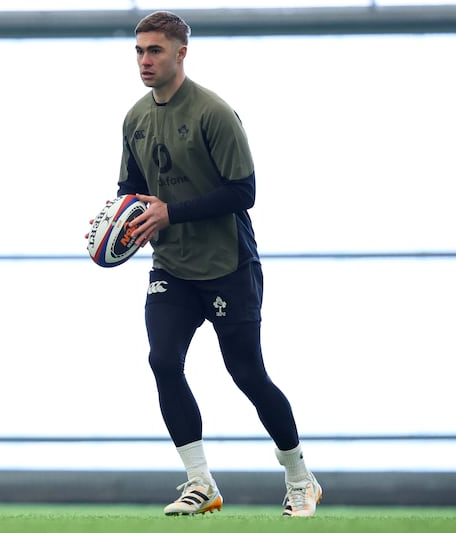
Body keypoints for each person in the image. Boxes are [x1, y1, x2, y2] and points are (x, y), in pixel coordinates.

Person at [115, 11, 321, 517]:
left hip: (227, 264)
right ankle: (200, 483)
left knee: (246, 371)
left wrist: (171, 212)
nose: (145, 60)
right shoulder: (135, 117)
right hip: (173, 268)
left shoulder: (213, 112)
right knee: (163, 362)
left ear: (181, 53)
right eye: (140, 51)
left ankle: (300, 478)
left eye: (155, 50)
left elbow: (244, 192)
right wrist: (120, 224)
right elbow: (131, 189)